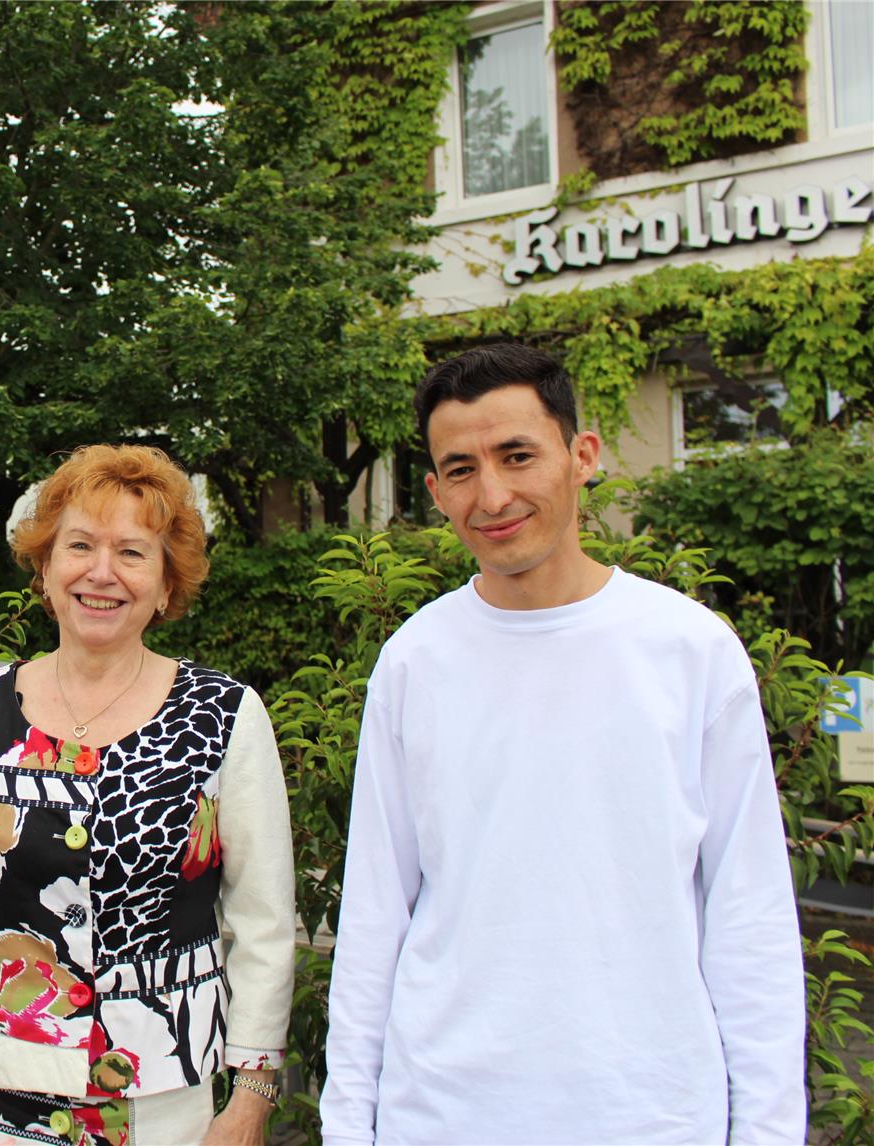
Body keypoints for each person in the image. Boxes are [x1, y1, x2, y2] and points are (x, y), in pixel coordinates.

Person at [320, 344, 806, 1144]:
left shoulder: (690, 651)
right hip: (442, 1114)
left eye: (518, 455)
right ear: (436, 492)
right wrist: (347, 1125)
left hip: (649, 1114)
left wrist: (768, 1129)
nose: (493, 495)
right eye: (462, 469)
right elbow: (375, 914)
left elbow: (749, 916)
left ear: (582, 456)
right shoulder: (414, 661)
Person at [0, 444, 296, 1146]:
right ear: (45, 569)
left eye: (132, 553)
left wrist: (251, 1096)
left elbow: (263, 922)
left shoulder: (224, 716)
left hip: (166, 1101)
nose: (101, 573)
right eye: (79, 545)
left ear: (166, 584)